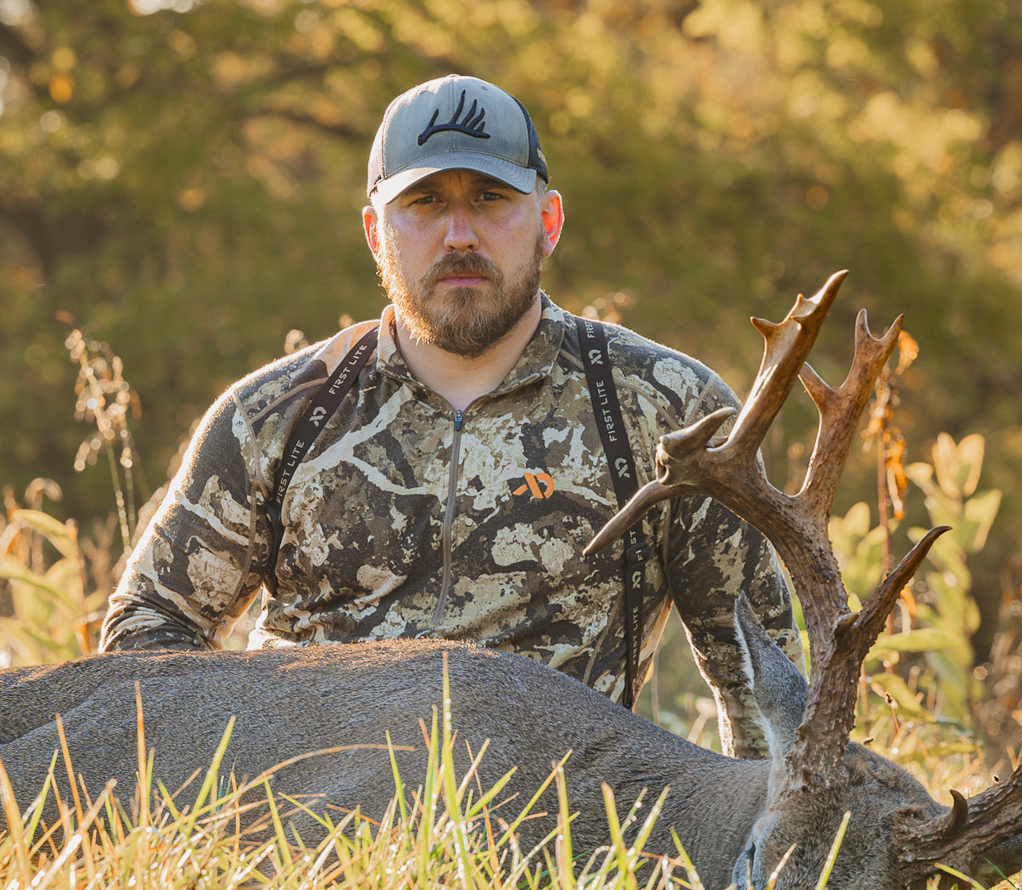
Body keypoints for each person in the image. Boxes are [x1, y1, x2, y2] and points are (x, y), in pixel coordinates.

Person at [100, 75, 799, 758]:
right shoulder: (278, 415)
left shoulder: (665, 409)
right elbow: (148, 631)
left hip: (565, 832)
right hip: (303, 835)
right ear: (377, 233)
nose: (459, 234)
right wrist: (243, 785)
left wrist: (755, 855)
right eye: (425, 202)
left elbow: (764, 681)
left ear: (548, 221)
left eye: (491, 198)